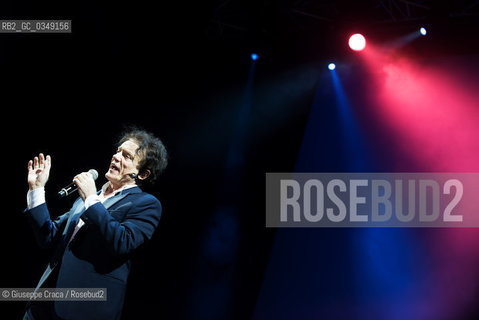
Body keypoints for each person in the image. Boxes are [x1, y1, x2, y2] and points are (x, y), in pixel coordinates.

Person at [23, 128, 168, 320]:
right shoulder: (87, 198)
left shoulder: (146, 204)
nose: (116, 157)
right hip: (42, 305)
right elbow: (48, 237)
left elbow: (122, 242)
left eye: (126, 156)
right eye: (117, 151)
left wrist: (91, 198)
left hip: (84, 309)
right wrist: (37, 189)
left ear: (142, 174)